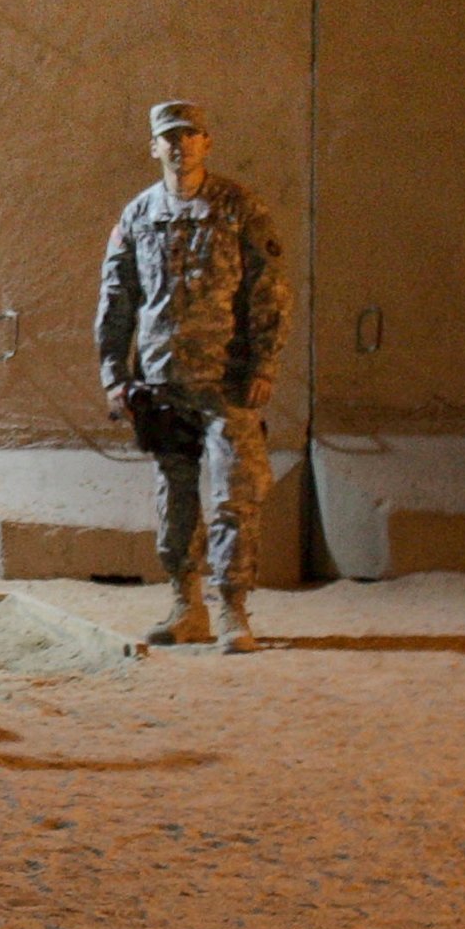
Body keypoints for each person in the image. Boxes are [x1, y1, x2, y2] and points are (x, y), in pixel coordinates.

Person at [96, 100, 292, 653]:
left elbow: (269, 293)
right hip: (163, 382)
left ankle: (233, 611)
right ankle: (187, 608)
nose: (180, 147)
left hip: (227, 383)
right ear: (154, 148)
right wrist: (116, 376)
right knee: (176, 497)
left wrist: (264, 366)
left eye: (191, 136)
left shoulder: (238, 209)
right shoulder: (138, 215)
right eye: (169, 138)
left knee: (235, 497)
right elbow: (117, 299)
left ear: (207, 143)